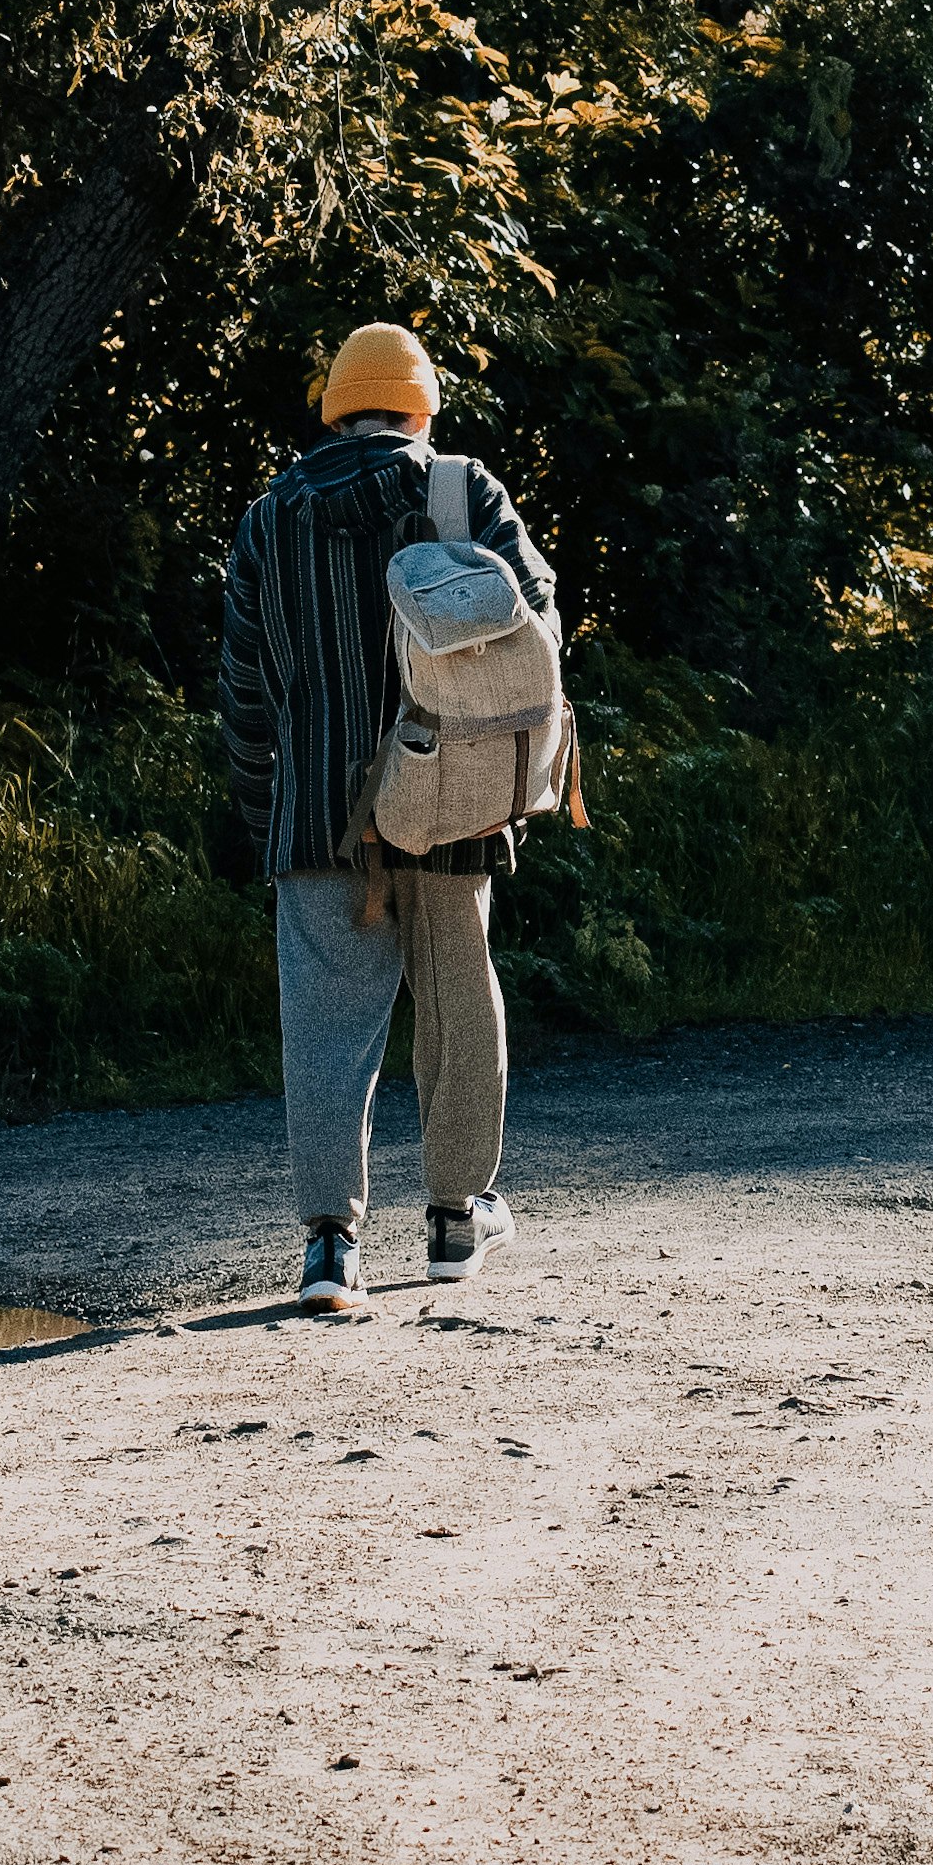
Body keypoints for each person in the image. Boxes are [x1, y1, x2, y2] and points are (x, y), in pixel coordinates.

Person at [219, 321, 561, 1308]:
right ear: (420, 409)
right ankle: (456, 1221)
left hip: (315, 812)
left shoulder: (267, 520)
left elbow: (243, 691)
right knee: (458, 1005)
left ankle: (330, 1249)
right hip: (451, 803)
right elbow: (536, 628)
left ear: (334, 409)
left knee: (327, 1028)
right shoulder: (461, 492)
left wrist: (264, 813)